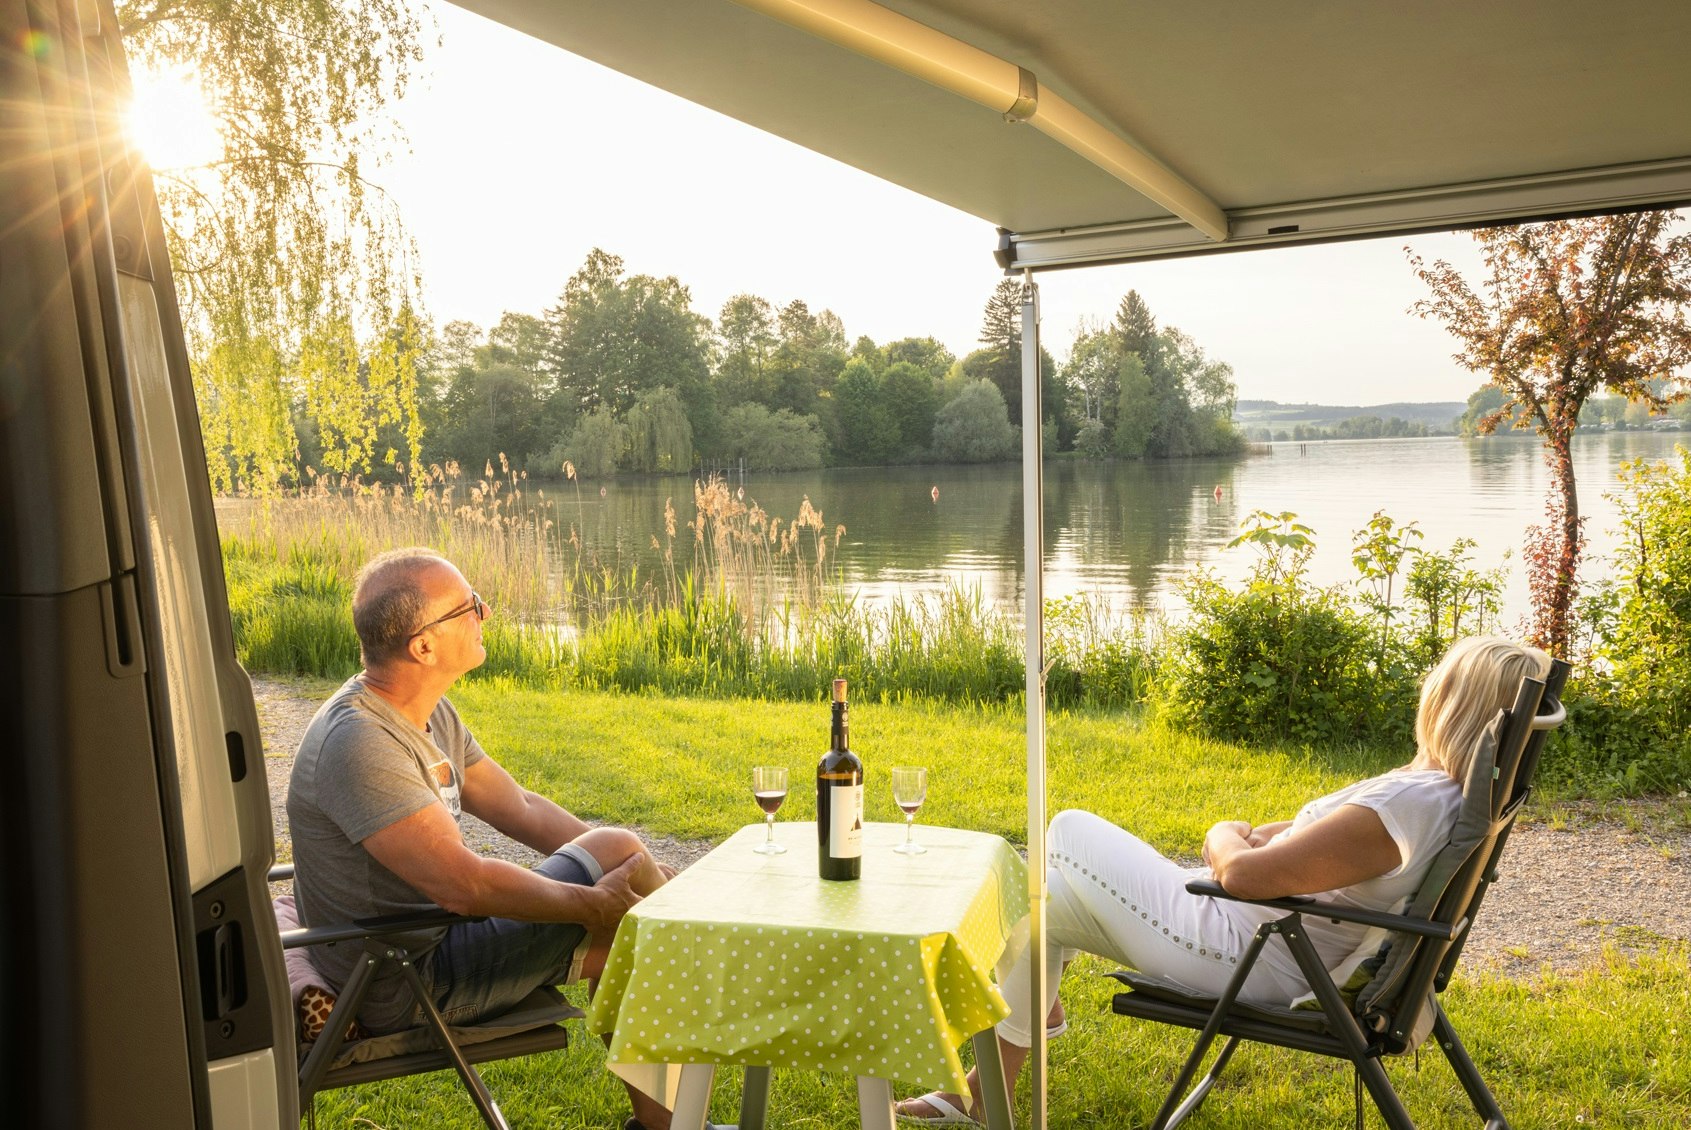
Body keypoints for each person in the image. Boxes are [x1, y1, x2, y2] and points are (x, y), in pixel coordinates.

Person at [895, 634, 1550, 1126]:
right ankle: (981, 1096)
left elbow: (1237, 874)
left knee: (1064, 830)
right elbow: (1315, 849)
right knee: (1040, 909)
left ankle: (1023, 1025)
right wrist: (1273, 835)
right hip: (1269, 941)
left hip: (1248, 952)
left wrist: (1222, 832)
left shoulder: (1413, 804)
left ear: (1449, 702)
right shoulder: (1441, 796)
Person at [288, 547, 704, 1130]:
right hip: (403, 977)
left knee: (641, 934)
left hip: (434, 944)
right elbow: (467, 886)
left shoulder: (427, 713)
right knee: (621, 859)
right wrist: (594, 899)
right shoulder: (360, 743)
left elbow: (523, 809)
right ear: (422, 646)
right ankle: (713, 939)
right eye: (468, 607)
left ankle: (668, 1128)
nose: (485, 612)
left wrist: (641, 873)